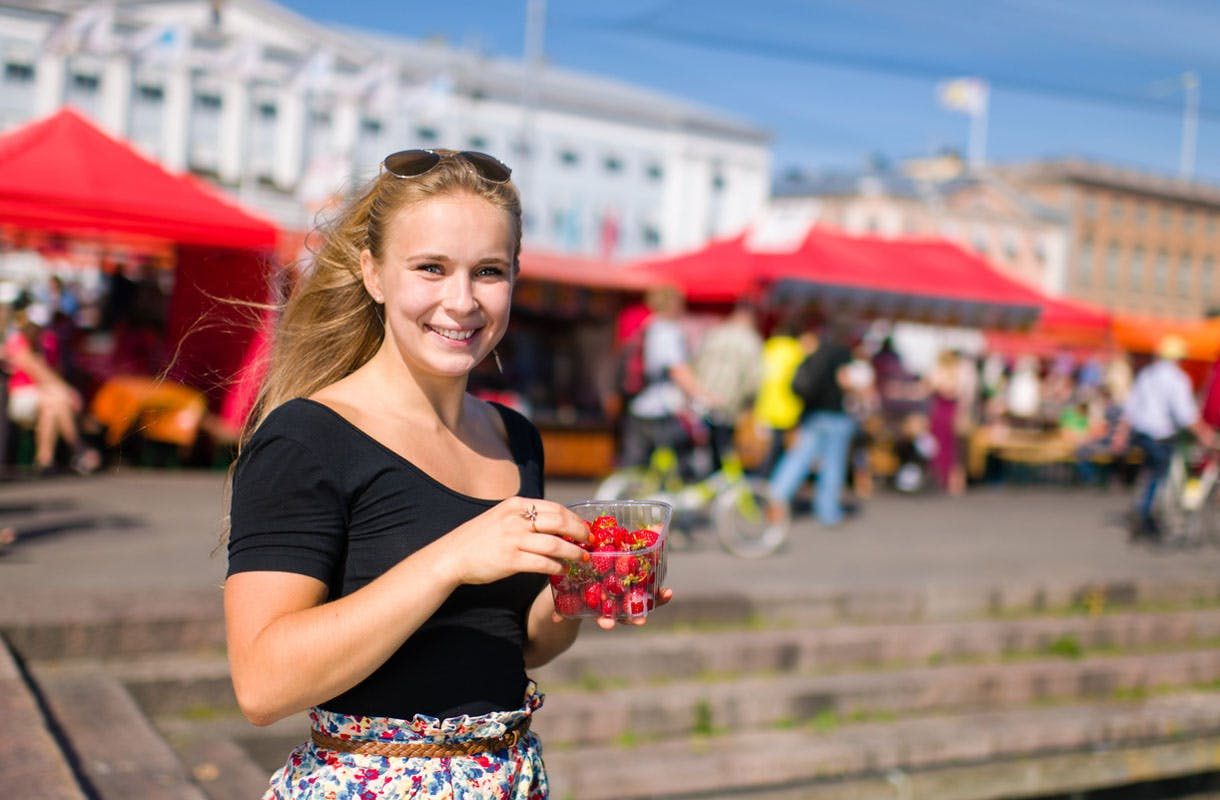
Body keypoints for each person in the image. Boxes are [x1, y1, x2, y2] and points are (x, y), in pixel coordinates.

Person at [223, 148, 671, 799]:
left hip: (506, 780)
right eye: (431, 268)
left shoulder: (514, 436)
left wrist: (581, 586)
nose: (461, 301)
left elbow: (518, 646)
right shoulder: (305, 437)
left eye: (488, 272)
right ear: (374, 273)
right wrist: (451, 558)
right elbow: (262, 685)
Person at [1112, 336, 1214, 541]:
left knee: (1151, 475)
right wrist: (1205, 435)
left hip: (1142, 433)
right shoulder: (1177, 378)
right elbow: (1185, 414)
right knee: (1161, 477)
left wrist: (1121, 435)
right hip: (1161, 434)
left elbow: (1131, 408)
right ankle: (1150, 515)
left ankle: (1145, 511)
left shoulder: (1146, 375)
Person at [768, 318, 857, 527]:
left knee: (797, 459)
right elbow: (845, 381)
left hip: (811, 414)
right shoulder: (842, 352)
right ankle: (828, 512)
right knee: (833, 464)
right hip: (835, 415)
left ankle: (774, 500)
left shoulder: (814, 352)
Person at [618, 284, 715, 471]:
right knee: (683, 462)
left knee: (642, 466)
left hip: (641, 404)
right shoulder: (666, 331)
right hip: (660, 408)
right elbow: (677, 370)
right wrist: (705, 396)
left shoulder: (648, 325)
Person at [3, 301, 99, 475]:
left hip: (44, 397)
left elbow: (54, 374)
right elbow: (39, 372)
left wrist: (63, 391)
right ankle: (78, 448)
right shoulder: (17, 343)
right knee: (57, 400)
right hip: (21, 398)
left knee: (52, 408)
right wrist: (68, 392)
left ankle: (45, 460)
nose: (34, 331)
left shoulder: (47, 343)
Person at [692, 300, 763, 472]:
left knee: (706, 451)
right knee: (724, 454)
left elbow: (695, 364)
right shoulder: (751, 340)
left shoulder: (714, 334)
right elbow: (753, 381)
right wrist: (749, 408)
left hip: (702, 401)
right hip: (728, 405)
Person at [752, 320, 812, 476]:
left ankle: (758, 483)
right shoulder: (797, 351)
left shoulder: (767, 347)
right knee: (781, 454)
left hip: (764, 407)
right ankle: (769, 487)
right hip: (789, 409)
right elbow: (805, 382)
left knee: (762, 452)